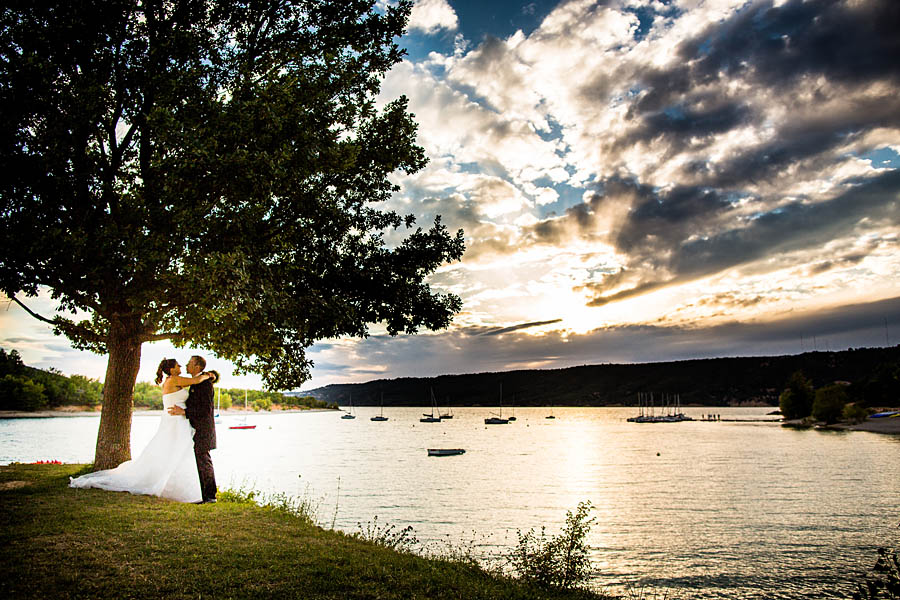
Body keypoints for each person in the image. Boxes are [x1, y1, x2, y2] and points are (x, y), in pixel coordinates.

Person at [69, 358, 213, 503]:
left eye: (185, 364)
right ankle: (181, 488)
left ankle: (182, 487)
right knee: (174, 451)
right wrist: (209, 375)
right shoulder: (174, 380)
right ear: (171, 369)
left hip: (178, 420)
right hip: (175, 420)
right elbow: (196, 381)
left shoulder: (174, 380)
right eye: (178, 365)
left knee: (175, 453)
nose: (182, 365)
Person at [167, 355, 218, 503]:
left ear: (196, 366)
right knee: (200, 460)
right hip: (196, 428)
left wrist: (184, 412)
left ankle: (210, 496)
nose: (186, 365)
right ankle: (203, 494)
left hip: (204, 429)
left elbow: (205, 410)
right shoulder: (197, 383)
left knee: (204, 460)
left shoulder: (205, 384)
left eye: (189, 363)